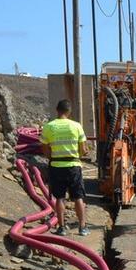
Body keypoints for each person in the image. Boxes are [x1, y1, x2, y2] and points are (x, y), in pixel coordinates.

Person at [39, 99, 90, 235]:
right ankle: (82, 227)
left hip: (56, 166)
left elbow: (44, 149)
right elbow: (83, 149)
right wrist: (79, 154)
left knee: (60, 198)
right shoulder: (76, 126)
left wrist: (53, 157)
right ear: (69, 112)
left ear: (57, 110)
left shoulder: (49, 126)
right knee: (78, 197)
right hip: (73, 166)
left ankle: (61, 228)